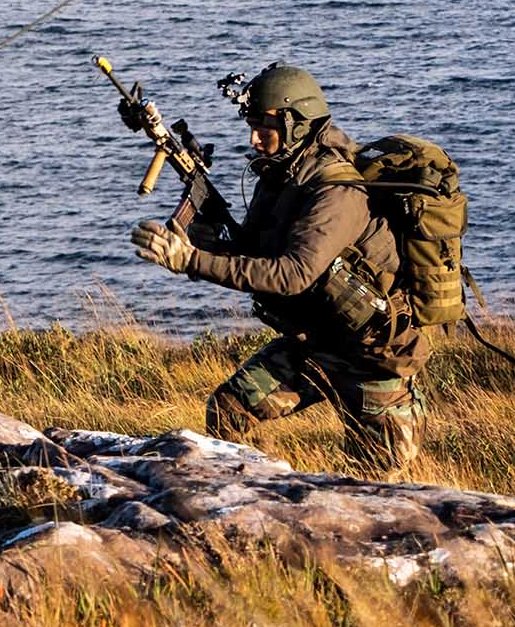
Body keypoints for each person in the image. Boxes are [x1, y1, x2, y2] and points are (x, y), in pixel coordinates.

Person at [129, 63, 428, 473]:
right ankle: (254, 499)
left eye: (264, 127)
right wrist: (200, 238)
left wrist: (191, 262)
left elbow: (291, 275)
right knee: (230, 409)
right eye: (251, 125)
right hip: (316, 338)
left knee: (375, 481)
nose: (253, 139)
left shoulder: (338, 190)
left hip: (372, 357)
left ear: (296, 124)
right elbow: (253, 252)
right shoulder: (280, 174)